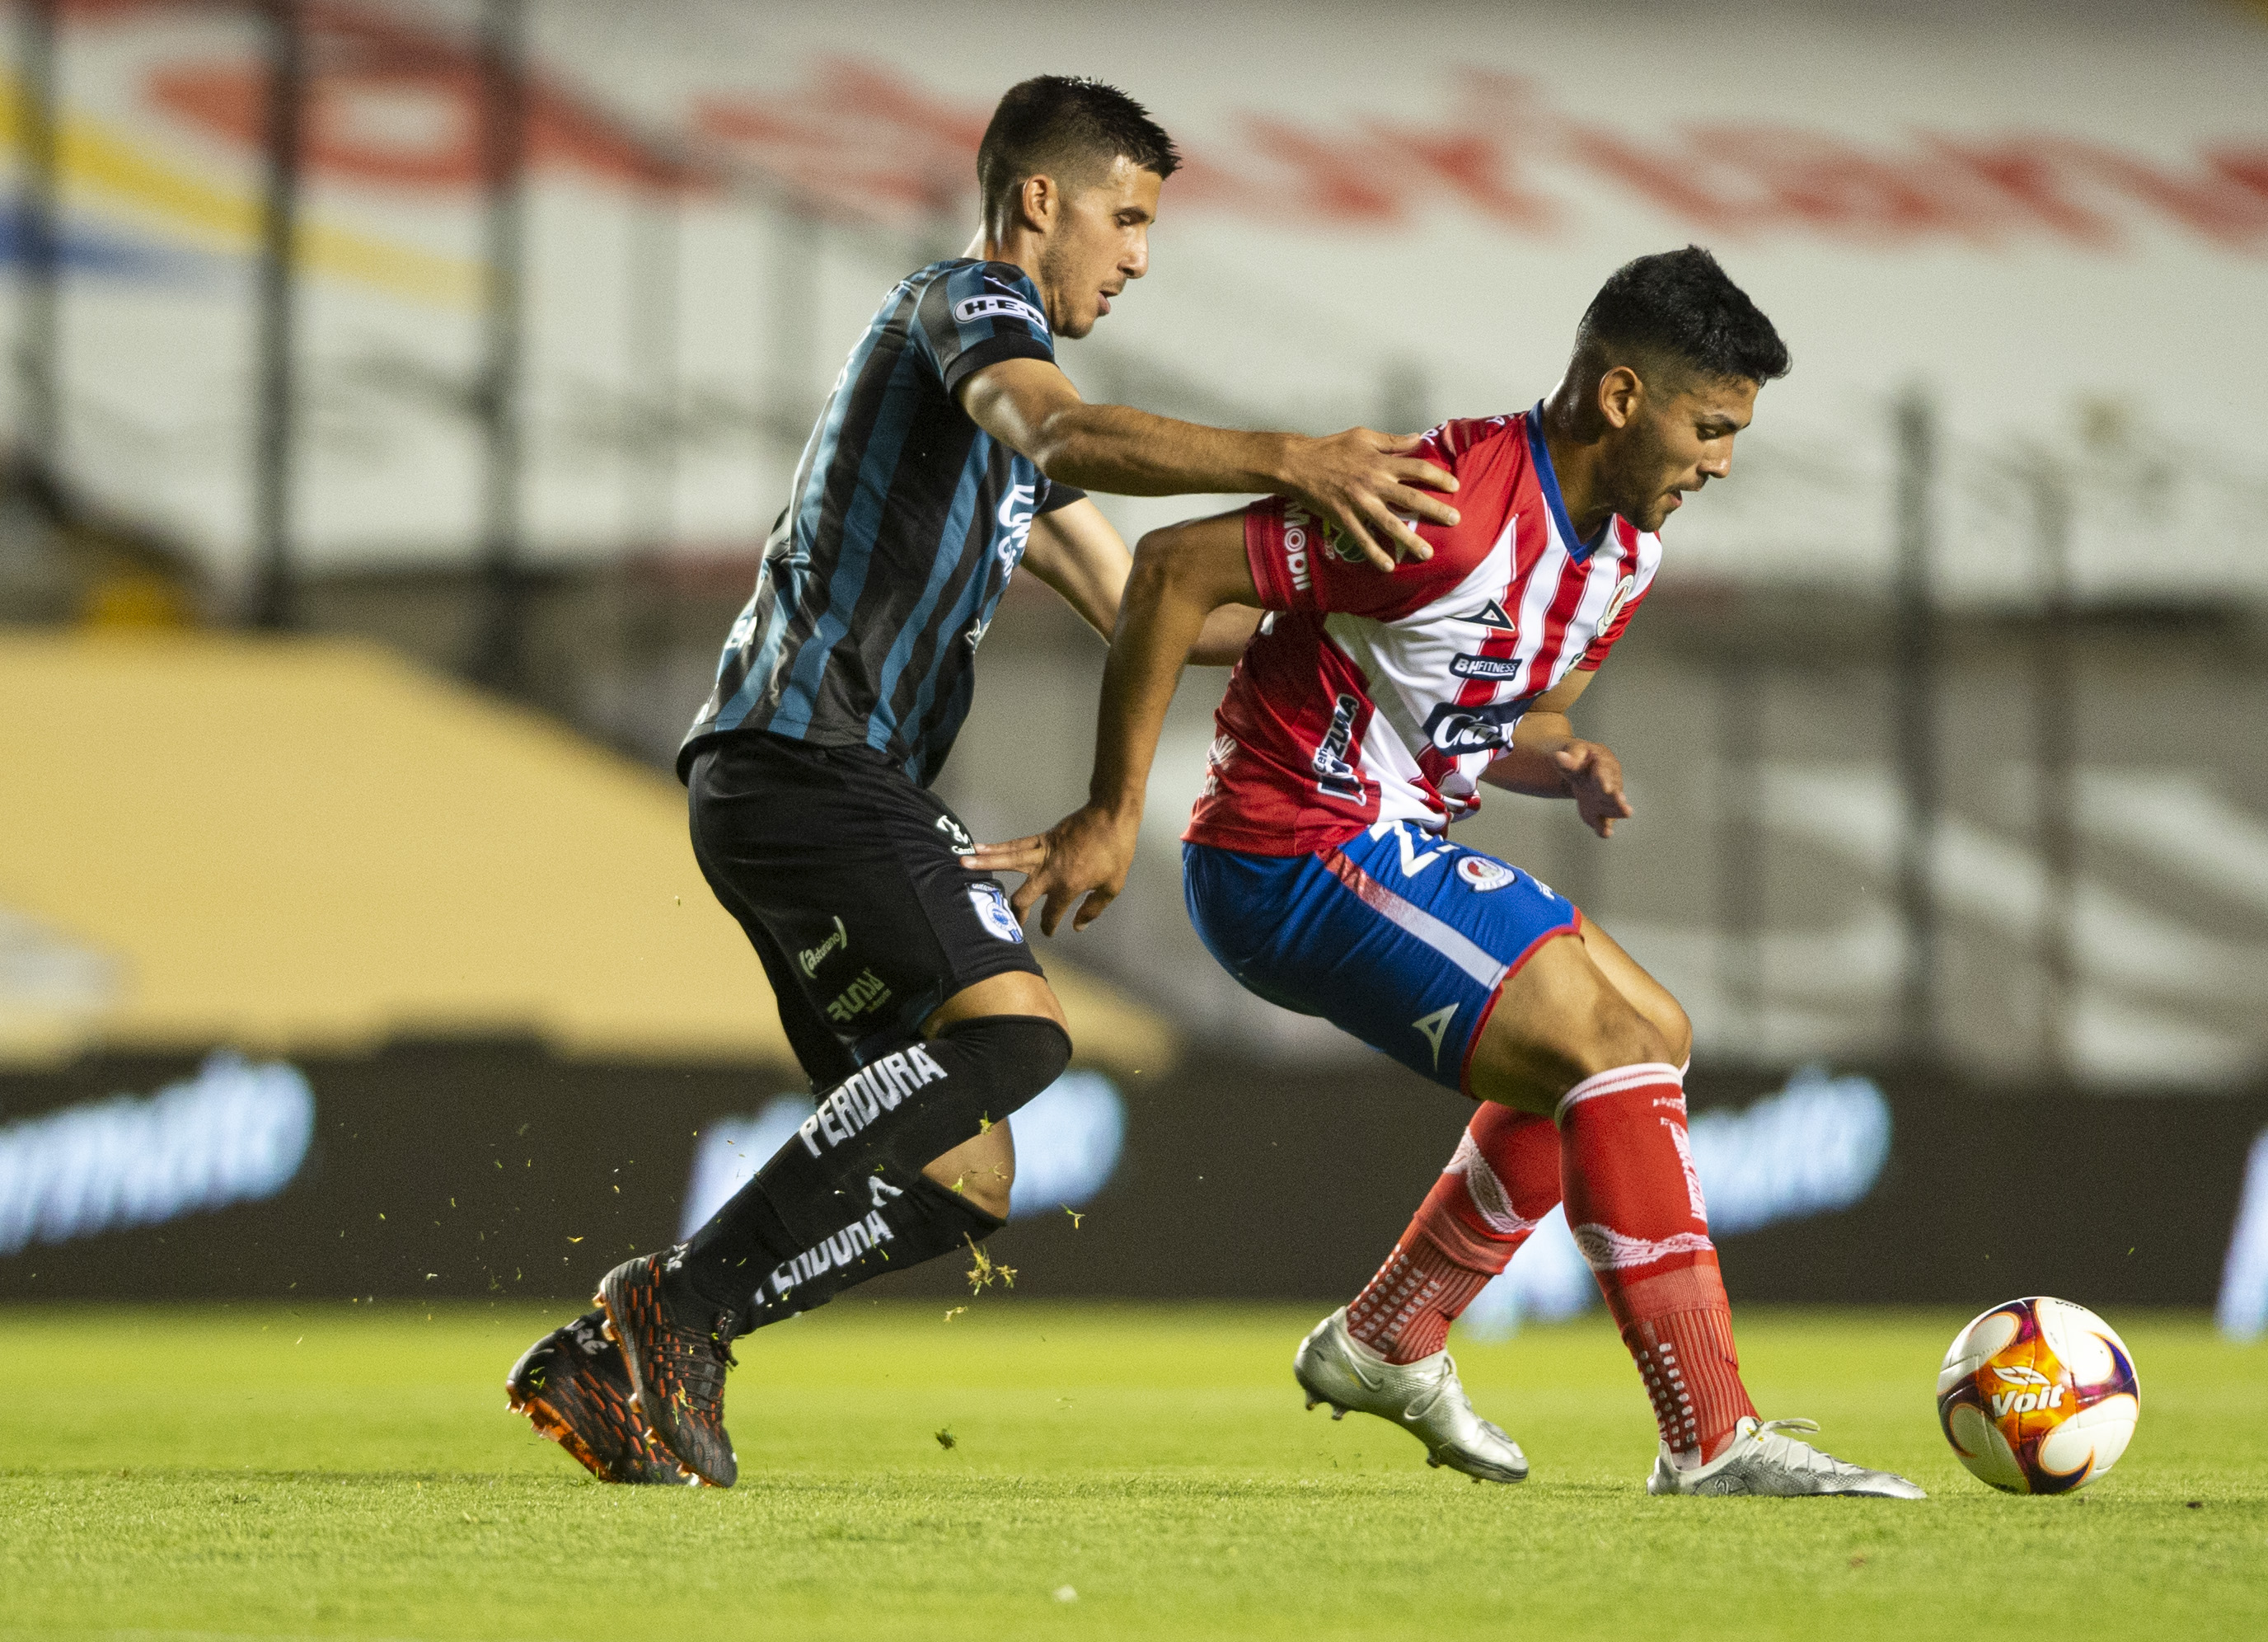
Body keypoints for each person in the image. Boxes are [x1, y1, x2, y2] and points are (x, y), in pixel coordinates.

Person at [505, 74, 1461, 1488]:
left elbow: (1161, 610)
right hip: (802, 758)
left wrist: (1404, 632)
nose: (1138, 255)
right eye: (1124, 219)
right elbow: (1065, 431)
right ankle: (673, 1313)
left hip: (811, 782)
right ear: (1034, 203)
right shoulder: (961, 307)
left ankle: (636, 1347)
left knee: (964, 1178)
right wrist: (1289, 459)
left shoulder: (1012, 446)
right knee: (1015, 1040)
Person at [968, 247, 1924, 1498]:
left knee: (1650, 1040)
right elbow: (1174, 573)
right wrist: (1111, 809)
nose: (1720, 462)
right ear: (1622, 397)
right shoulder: (1446, 504)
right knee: (1609, 1048)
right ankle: (1712, 1439)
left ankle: (1386, 1337)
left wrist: (1560, 756)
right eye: (1709, 426)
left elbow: (1474, 712)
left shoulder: (1623, 554)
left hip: (1382, 839)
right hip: (1289, 846)